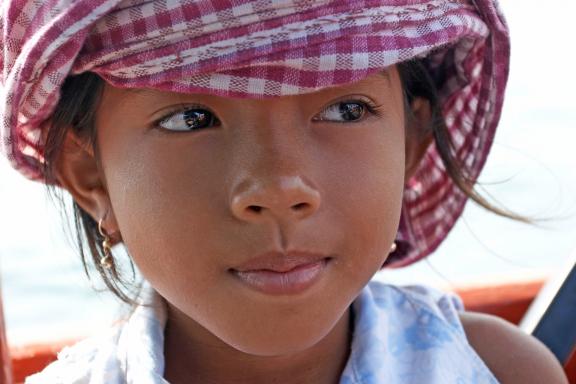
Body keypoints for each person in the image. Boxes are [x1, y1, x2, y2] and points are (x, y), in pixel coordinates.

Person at [0, 0, 569, 383]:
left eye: (346, 109)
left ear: (411, 146)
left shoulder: (496, 371)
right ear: (91, 177)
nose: (278, 188)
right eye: (192, 119)